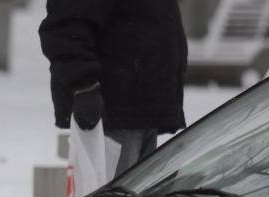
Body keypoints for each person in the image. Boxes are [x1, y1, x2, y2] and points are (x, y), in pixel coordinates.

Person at [39, 0, 188, 177]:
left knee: (133, 192)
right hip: (113, 112)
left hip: (143, 109)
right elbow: (65, 27)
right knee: (112, 192)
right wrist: (84, 85)